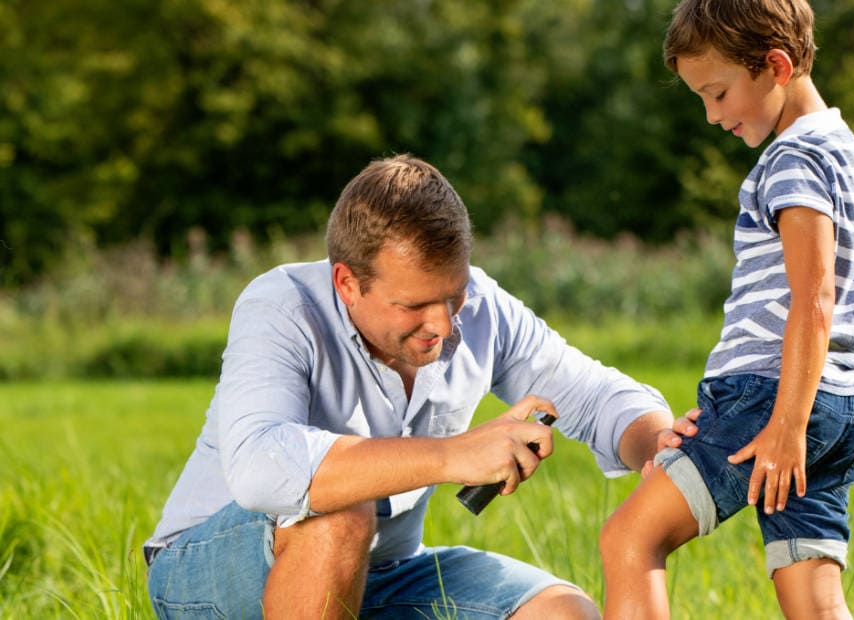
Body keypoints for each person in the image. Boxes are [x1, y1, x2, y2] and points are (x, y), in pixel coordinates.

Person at [143, 154, 681, 619]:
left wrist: (662, 447)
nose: (444, 325)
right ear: (347, 283)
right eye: (413, 305)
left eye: (453, 295)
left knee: (560, 612)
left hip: (385, 569)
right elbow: (261, 465)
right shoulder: (282, 306)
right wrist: (451, 456)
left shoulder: (482, 308)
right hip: (206, 571)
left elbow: (593, 394)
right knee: (337, 511)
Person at [599, 0, 854, 617]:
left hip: (770, 398)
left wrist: (788, 425)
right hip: (835, 405)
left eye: (717, 93)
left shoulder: (792, 159)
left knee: (630, 537)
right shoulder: (851, 154)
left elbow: (814, 295)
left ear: (775, 65)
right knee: (813, 594)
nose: (712, 116)